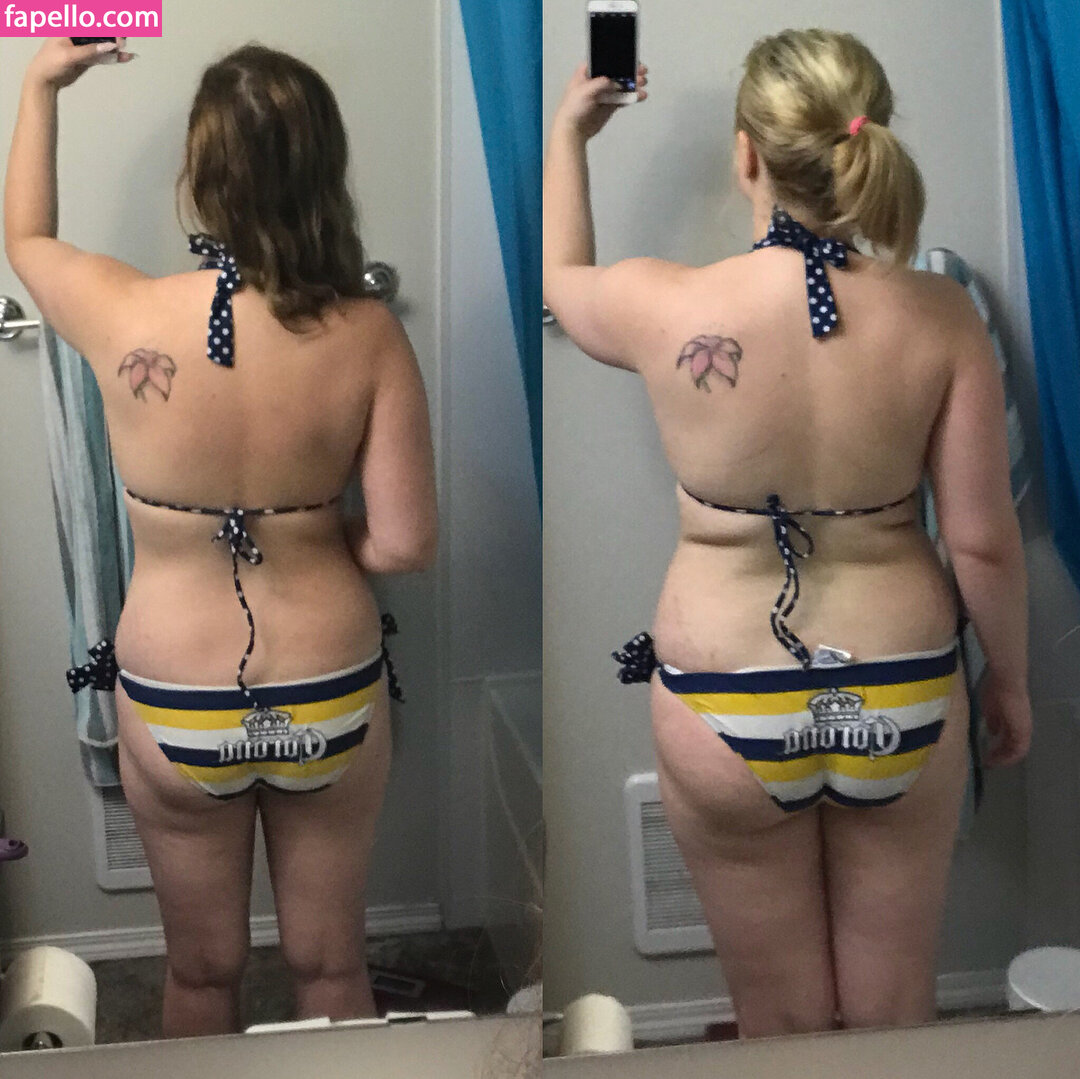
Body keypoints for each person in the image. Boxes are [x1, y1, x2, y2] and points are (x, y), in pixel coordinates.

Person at [544, 29, 1030, 1037]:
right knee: (894, 1009)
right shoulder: (941, 315)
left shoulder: (665, 302)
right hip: (902, 684)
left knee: (777, 1018)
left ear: (748, 154)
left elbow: (561, 277)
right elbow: (982, 541)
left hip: (725, 693)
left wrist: (569, 137)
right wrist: (1011, 682)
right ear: (869, 140)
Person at [5, 38, 437, 1037]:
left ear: (199, 176)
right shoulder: (368, 332)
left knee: (200, 973)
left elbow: (24, 237)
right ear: (324, 169)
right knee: (331, 964)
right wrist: (309, 537)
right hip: (327, 681)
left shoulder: (122, 312)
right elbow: (405, 542)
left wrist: (41, 83)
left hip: (175, 690)